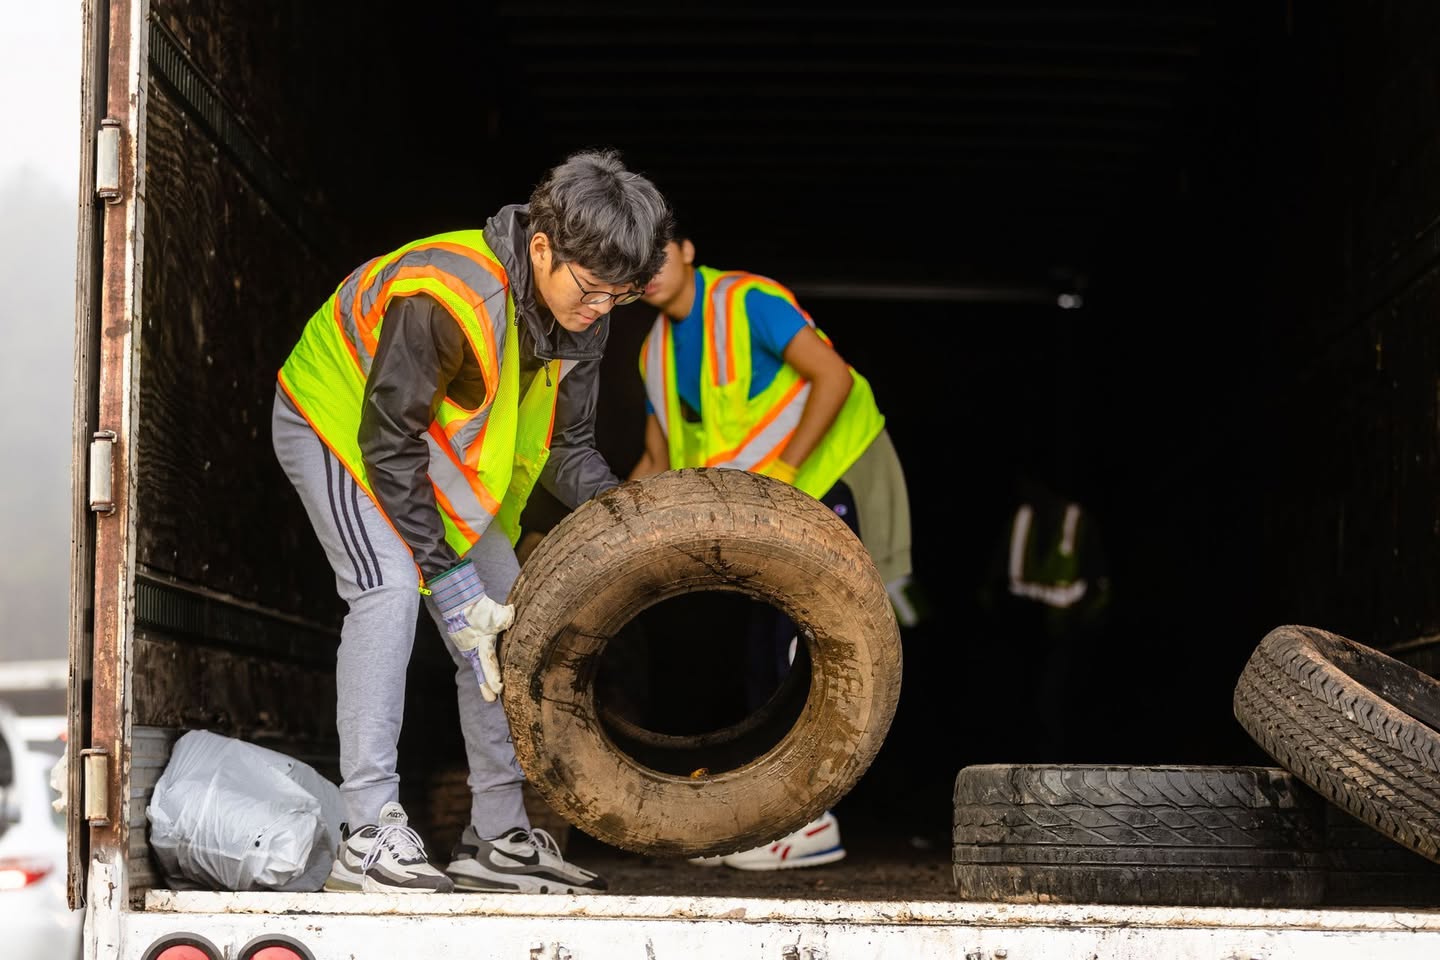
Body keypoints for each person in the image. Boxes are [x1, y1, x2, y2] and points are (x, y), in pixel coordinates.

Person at [271, 148, 671, 894]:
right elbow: (385, 444)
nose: (600, 311)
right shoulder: (448, 295)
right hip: (337, 426)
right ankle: (366, 828)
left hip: (431, 455)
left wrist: (631, 522)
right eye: (591, 292)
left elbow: (570, 451)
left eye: (618, 297)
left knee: (508, 618)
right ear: (543, 248)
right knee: (388, 590)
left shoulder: (587, 305)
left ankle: (496, 837)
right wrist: (445, 576)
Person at [627, 228, 917, 869]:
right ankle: (768, 817)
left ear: (687, 249)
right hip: (767, 525)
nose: (645, 269)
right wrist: (608, 530)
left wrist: (783, 471)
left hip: (829, 484)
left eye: (656, 251)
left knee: (810, 649)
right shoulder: (653, 353)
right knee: (761, 655)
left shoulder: (746, 301)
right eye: (630, 259)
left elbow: (832, 378)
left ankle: (810, 820)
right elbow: (656, 457)